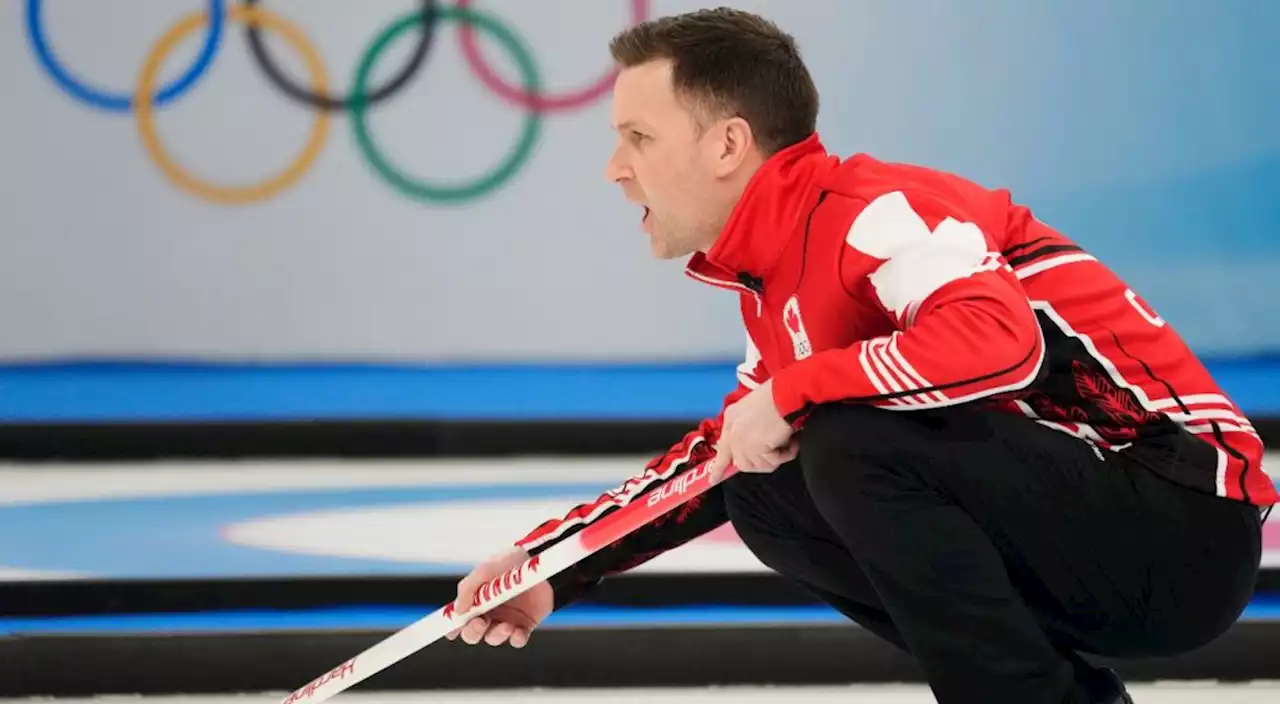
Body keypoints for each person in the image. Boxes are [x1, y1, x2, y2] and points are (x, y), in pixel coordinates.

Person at [444, 8, 1276, 703]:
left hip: (1184, 524)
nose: (614, 170)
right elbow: (728, 450)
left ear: (728, 144)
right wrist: (552, 568)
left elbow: (1001, 344)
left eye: (637, 136)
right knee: (762, 484)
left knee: (840, 438)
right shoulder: (781, 272)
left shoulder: (876, 212)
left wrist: (797, 390)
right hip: (1102, 534)